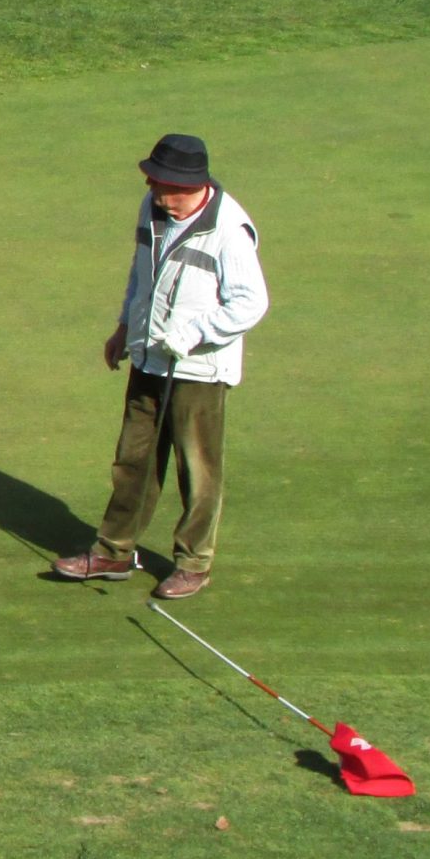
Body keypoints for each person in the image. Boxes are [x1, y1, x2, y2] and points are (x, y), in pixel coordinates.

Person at [54, 133, 266, 599]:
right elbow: (141, 273)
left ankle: (193, 563)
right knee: (133, 460)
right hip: (149, 356)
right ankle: (113, 550)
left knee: (197, 469)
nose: (155, 191)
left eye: (164, 185)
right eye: (153, 182)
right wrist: (123, 327)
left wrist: (192, 334)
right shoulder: (151, 209)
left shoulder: (229, 229)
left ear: (191, 185)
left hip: (199, 370)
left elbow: (250, 303)